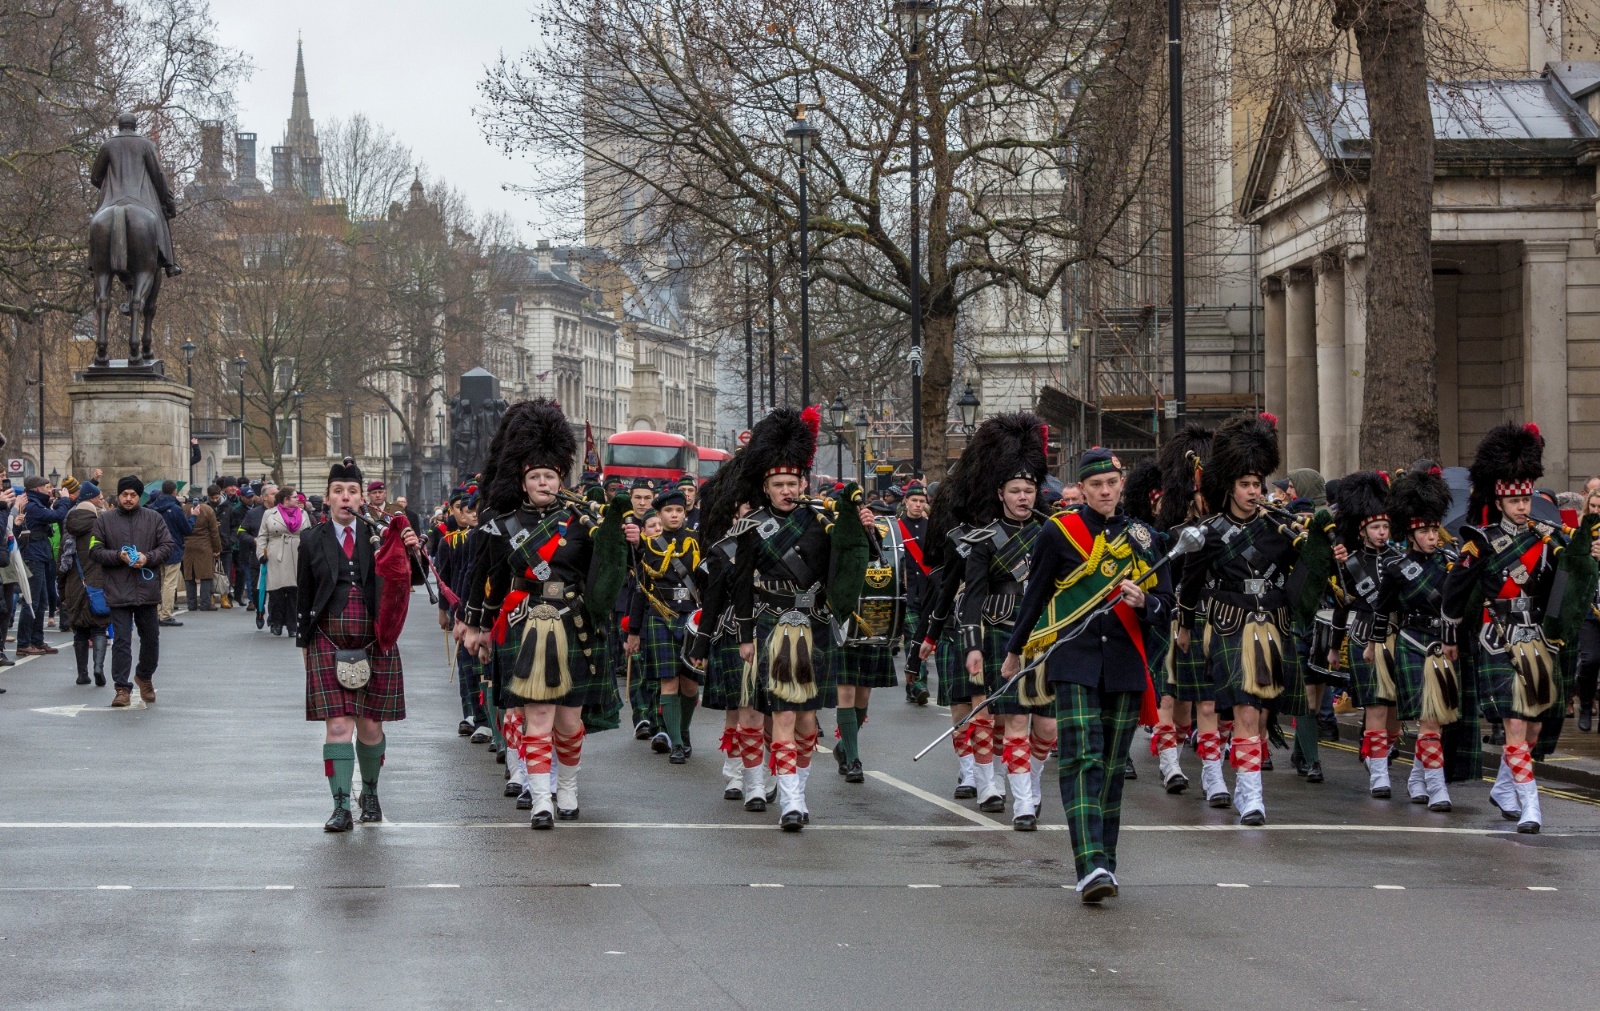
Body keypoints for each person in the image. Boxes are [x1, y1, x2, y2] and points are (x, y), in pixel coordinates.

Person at [1003, 448, 1173, 900]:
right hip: (1073, 657)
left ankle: (1106, 863)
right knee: (1082, 758)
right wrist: (1014, 649)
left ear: (1121, 484)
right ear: (1083, 488)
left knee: (1114, 766)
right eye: (1095, 485)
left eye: (1111, 484)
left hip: (1125, 660)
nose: (1104, 491)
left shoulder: (1143, 537)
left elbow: (1167, 607)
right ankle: (1089, 865)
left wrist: (1146, 603)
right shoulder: (1059, 532)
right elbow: (1035, 595)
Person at [462, 400, 629, 829]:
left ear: (561, 479)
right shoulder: (504, 524)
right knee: (537, 715)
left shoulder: (581, 522)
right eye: (535, 476)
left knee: (569, 721)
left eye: (549, 476)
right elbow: (493, 579)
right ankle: (541, 799)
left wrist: (620, 534)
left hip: (573, 624)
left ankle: (568, 787)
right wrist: (479, 624)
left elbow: (606, 570)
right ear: (524, 480)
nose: (542, 482)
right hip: (528, 623)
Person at [1442, 423, 1600, 834]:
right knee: (1515, 718)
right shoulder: (1479, 540)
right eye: (1515, 500)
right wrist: (1449, 636)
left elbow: (1569, 576)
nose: (1523, 506)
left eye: (1526, 498)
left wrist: (1584, 551)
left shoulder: (1547, 537)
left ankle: (1505, 785)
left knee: (1532, 725)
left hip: (1536, 638)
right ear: (1499, 499)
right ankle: (1531, 802)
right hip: (1498, 637)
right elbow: (1455, 591)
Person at [726, 406, 871, 830]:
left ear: (804, 482)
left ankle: (798, 789)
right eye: (778, 484)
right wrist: (746, 635)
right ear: (766, 488)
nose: (787, 490)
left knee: (807, 723)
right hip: (771, 624)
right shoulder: (752, 527)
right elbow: (740, 585)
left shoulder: (824, 521)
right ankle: (790, 801)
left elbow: (850, 567)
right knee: (784, 716)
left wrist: (858, 528)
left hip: (813, 626)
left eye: (792, 483)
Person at [1176, 414, 1318, 825]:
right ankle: (1250, 794)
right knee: (1244, 711)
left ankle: (1245, 782)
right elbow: (1191, 581)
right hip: (1227, 625)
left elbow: (1304, 573)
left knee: (1262, 713)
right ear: (1231, 488)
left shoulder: (1281, 529)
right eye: (1245, 485)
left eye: (1257, 485)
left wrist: (1321, 551)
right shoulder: (1209, 531)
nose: (1253, 492)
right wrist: (1185, 625)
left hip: (1272, 627)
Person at [297, 458, 425, 832]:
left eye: (352, 491)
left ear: (362, 498)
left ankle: (369, 792)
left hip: (374, 638)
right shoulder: (311, 539)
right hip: (327, 637)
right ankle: (340, 806)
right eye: (338, 491)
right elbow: (303, 595)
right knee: (338, 726)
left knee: (370, 727)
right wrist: (303, 643)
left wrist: (412, 549)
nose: (346, 497)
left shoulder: (382, 535)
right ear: (328, 498)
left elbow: (408, 580)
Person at [955, 414, 1051, 825]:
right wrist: (973, 645)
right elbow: (972, 598)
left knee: (1047, 730)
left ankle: (1031, 777)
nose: (1023, 497)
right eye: (1015, 490)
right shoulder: (983, 540)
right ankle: (1022, 802)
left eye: (1029, 490)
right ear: (1001, 493)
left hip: (1041, 637)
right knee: (1011, 718)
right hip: (998, 632)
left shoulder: (1053, 532)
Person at [1369, 464, 1461, 810]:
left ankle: (1417, 777)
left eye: (1435, 530)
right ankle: (1437, 787)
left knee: (1435, 720)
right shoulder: (1396, 566)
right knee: (1427, 718)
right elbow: (1383, 608)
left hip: (1442, 644)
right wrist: (1375, 647)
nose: (1432, 537)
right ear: (1411, 534)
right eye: (1425, 531)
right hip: (1412, 641)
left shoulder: (1451, 562)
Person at [1327, 471, 1403, 798]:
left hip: (1397, 636)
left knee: (1396, 712)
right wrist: (1333, 647)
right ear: (1363, 530)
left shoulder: (1401, 560)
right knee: (1375, 704)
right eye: (1375, 527)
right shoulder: (1351, 562)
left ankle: (1380, 752)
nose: (1382, 532)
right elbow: (1343, 606)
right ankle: (1379, 772)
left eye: (1385, 527)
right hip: (1363, 635)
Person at [1147, 424, 1212, 794]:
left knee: (1193, 702)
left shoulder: (1217, 532)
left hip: (1208, 621)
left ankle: (1180, 753)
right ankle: (1170, 764)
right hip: (1173, 621)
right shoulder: (1168, 535)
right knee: (1168, 696)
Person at [624, 486, 701, 763]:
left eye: (679, 510)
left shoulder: (697, 540)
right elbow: (640, 591)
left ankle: (683, 730)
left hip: (692, 618)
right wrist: (633, 631)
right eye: (668, 510)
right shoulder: (649, 545)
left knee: (690, 685)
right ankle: (676, 742)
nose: (674, 515)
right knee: (669, 681)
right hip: (661, 616)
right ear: (660, 514)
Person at [90, 476, 176, 708]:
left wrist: (148, 558)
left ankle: (144, 676)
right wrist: (119, 556)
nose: (128, 499)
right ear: (118, 496)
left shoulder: (154, 518)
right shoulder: (105, 520)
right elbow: (95, 550)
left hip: (146, 589)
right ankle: (121, 688)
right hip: (118, 588)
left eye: (133, 495)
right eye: (125, 494)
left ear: (140, 497)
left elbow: (167, 546)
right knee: (121, 640)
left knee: (151, 638)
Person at [59, 482, 112, 686]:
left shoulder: (68, 533)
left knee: (79, 631)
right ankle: (98, 667)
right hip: (98, 585)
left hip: (74, 585)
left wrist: (61, 593)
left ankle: (82, 674)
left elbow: (61, 568)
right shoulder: (102, 530)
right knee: (99, 627)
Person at [16, 475, 71, 656]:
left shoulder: (37, 503)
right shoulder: (32, 505)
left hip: (41, 553)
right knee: (31, 602)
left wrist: (52, 501)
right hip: (33, 555)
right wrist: (64, 500)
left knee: (42, 602)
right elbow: (57, 516)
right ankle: (24, 642)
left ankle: (37, 640)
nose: (49, 490)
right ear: (37, 488)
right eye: (46, 487)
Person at [898, 482, 933, 705]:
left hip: (929, 593)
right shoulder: (896, 528)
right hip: (908, 593)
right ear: (906, 502)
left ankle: (915, 686)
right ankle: (918, 684)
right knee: (913, 638)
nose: (918, 505)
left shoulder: (933, 528)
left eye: (921, 501)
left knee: (926, 641)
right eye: (914, 501)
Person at [260, 487, 308, 637]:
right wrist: (261, 553)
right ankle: (276, 622)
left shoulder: (304, 513)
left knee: (295, 592)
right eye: (294, 497)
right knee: (277, 591)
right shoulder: (269, 513)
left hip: (298, 554)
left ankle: (293, 625)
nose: (298, 499)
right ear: (285, 499)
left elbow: (309, 534)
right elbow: (262, 536)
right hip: (276, 554)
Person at [145, 481, 192, 627]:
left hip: (155, 549)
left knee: (159, 582)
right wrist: (193, 517)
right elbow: (187, 530)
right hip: (173, 548)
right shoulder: (175, 509)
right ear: (174, 492)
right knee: (169, 584)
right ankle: (166, 614)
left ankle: (158, 612)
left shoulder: (151, 509)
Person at [1575, 488, 1600, 732]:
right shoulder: (1579, 534)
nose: (1595, 511)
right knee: (1591, 659)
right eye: (1591, 507)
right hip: (1588, 609)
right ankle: (1584, 704)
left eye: (1599, 507)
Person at [182, 491, 221, 613]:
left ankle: (191, 604)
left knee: (189, 575)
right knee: (205, 575)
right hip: (204, 545)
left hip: (187, 545)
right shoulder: (207, 509)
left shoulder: (183, 509)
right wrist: (217, 548)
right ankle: (205, 603)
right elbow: (214, 531)